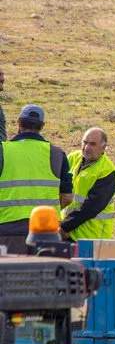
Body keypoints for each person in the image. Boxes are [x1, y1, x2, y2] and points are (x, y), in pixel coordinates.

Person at [0, 105, 71, 255]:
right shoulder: (56, 154)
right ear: (42, 126)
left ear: (19, 123)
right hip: (47, 235)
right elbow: (67, 197)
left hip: (7, 232)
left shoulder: (3, 151)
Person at [61, 127, 115, 240]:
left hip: (92, 237)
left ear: (103, 148)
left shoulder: (107, 171)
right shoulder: (73, 158)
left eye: (92, 144)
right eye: (85, 142)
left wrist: (64, 227)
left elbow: (90, 208)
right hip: (69, 232)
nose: (87, 148)